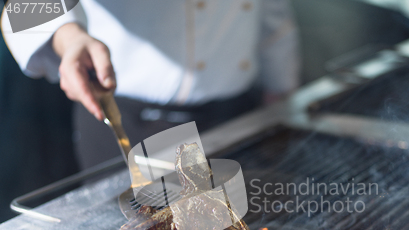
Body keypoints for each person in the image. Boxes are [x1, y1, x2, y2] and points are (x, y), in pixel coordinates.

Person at [2, 0, 299, 169]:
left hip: (237, 119)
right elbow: (24, 7)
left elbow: (272, 13)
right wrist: (70, 39)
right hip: (128, 126)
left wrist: (282, 92)